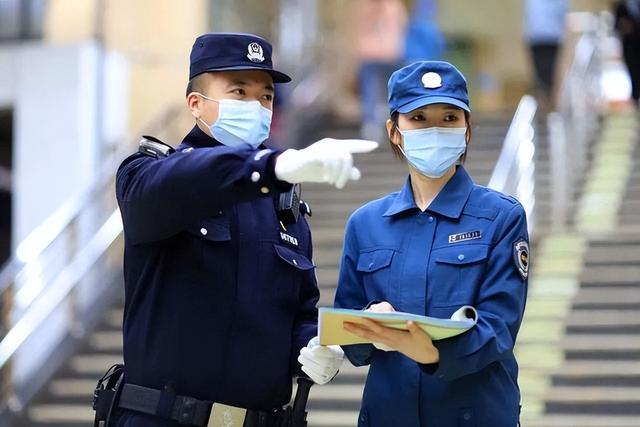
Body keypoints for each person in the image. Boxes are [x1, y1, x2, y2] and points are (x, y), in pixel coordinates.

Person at [113, 32, 377, 427]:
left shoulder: (284, 210)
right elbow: (191, 179)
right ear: (196, 103)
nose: (256, 106)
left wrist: (313, 349)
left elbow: (296, 314)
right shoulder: (148, 176)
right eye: (239, 92)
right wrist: (271, 167)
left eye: (266, 97)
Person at [334, 61, 530, 427]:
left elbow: (498, 328)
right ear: (395, 131)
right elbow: (350, 336)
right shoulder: (366, 224)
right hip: (389, 415)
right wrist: (371, 326)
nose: (435, 130)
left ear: (467, 130)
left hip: (475, 415)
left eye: (450, 118)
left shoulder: (501, 217)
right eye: (419, 118)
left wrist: (431, 351)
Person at [352, 0, 408, 141]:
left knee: (382, 89)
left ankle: (378, 120)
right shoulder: (389, 6)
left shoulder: (391, 6)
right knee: (376, 89)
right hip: (377, 53)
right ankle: (375, 121)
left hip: (384, 53)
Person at [523, 0, 569, 111]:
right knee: (541, 79)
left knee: (550, 78)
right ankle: (544, 105)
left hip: (551, 40)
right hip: (538, 40)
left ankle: (549, 105)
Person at [614, 0, 640, 107]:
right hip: (630, 50)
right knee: (634, 77)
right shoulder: (621, 7)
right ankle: (636, 102)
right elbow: (617, 27)